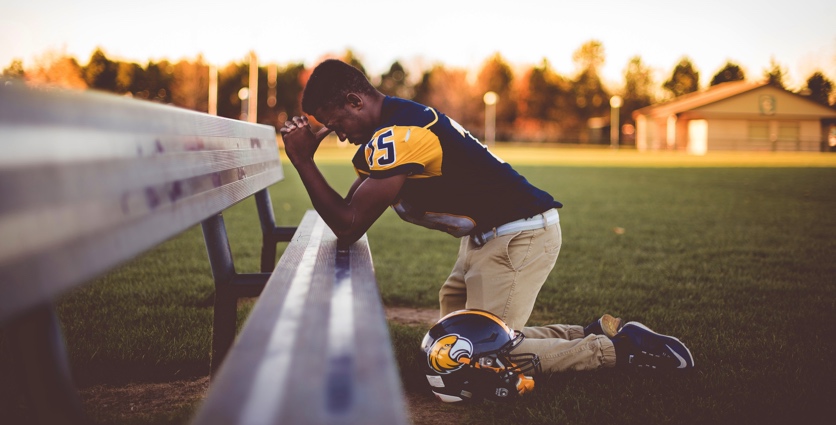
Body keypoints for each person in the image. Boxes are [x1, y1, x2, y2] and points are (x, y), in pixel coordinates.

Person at [279, 59, 694, 376]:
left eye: (338, 123)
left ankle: (621, 351)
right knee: (455, 343)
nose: (340, 134)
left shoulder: (400, 133)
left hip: (518, 236)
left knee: (480, 355)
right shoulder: (392, 127)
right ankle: (592, 333)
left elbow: (349, 225)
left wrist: (302, 162)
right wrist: (308, 160)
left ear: (355, 100)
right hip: (491, 237)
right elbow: (351, 210)